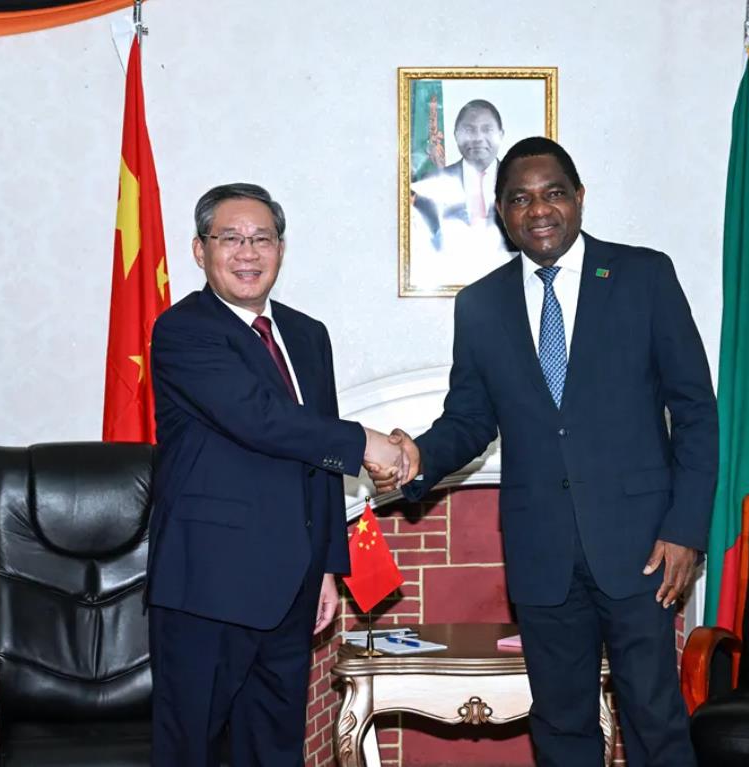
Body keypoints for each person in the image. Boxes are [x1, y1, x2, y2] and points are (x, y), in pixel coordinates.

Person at [373, 137, 718, 766]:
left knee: (655, 719)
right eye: (520, 199)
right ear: (501, 213)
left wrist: (685, 529)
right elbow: (469, 420)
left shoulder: (644, 277)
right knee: (560, 726)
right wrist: (416, 457)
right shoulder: (481, 304)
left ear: (579, 197)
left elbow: (695, 411)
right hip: (541, 551)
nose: (539, 210)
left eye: (553, 193)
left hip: (643, 546)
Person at [146, 183, 404, 767]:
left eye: (262, 239)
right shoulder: (183, 330)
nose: (248, 253)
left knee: (274, 749)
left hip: (292, 586)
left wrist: (328, 567)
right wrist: (366, 442)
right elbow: (260, 419)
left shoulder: (307, 335)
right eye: (230, 239)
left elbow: (319, 461)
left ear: (280, 250)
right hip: (207, 585)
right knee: (191, 749)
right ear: (200, 250)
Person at [410, 99, 512, 287]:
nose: (478, 138)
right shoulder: (432, 183)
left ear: (501, 134)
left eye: (487, 129)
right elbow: (422, 245)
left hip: (507, 284)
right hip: (449, 282)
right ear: (456, 135)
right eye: (469, 130)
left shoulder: (517, 181)